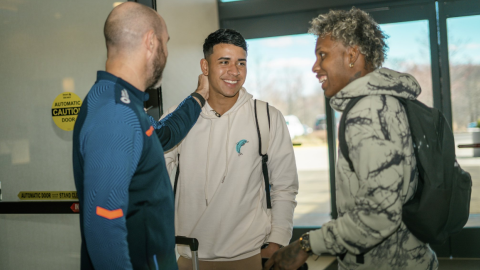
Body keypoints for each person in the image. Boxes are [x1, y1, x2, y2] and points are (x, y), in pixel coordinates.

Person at [264, 7, 438, 270]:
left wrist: (305, 244)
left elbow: (379, 215)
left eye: (322, 55)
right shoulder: (386, 101)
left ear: (352, 55)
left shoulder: (368, 112)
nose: (315, 66)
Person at [72, 2, 209, 269]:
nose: (167, 53)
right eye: (165, 42)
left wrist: (198, 97)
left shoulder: (119, 102)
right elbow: (104, 225)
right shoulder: (116, 113)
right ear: (150, 42)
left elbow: (162, 135)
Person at [161, 29, 299, 270]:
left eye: (241, 63)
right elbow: (153, 179)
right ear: (205, 66)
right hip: (190, 256)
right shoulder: (178, 118)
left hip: (248, 255)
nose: (234, 72)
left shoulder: (267, 117)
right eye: (224, 62)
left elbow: (285, 185)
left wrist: (277, 240)